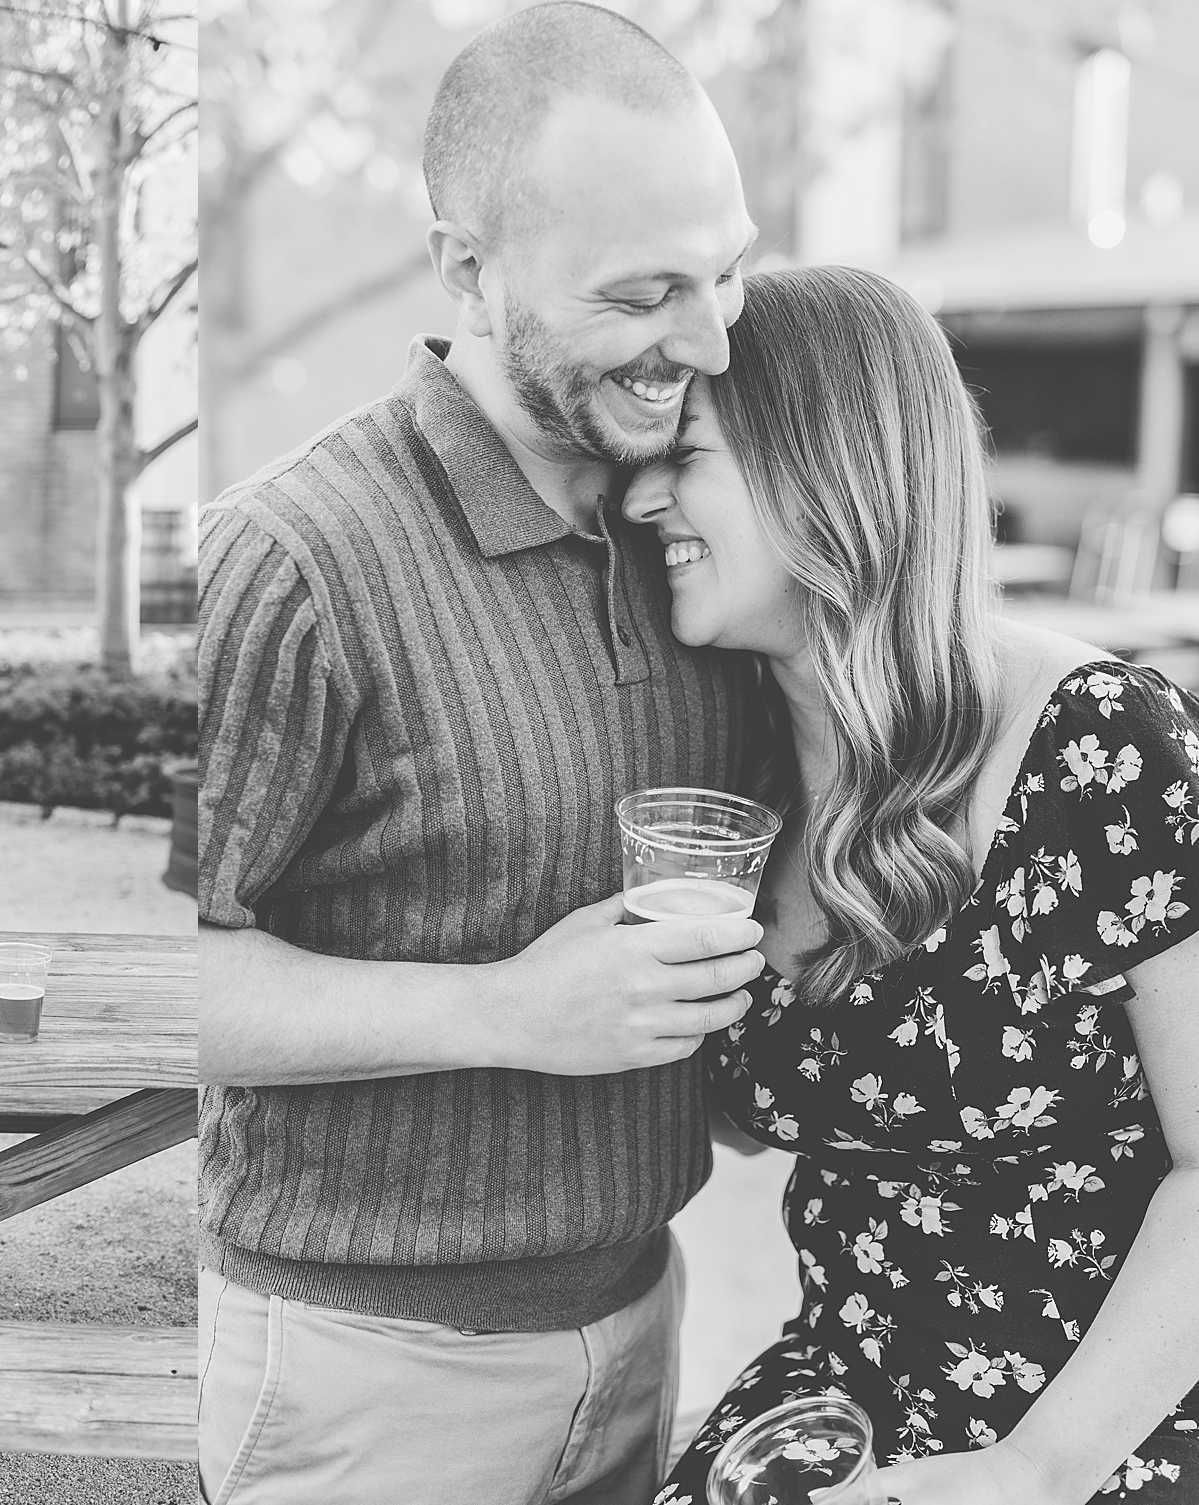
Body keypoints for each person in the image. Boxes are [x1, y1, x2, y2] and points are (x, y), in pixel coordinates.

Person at [197, 6, 769, 1501]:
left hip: (643, 1322)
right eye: (641, 293)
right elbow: (164, 980)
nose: (709, 341)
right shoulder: (292, 558)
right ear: (467, 268)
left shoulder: (700, 528)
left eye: (724, 271)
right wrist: (504, 1008)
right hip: (365, 1381)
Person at [634, 265, 1199, 1505]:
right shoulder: (735, 773)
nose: (639, 495)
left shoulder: (1097, 745)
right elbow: (766, 1107)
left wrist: (1032, 1469)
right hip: (842, 1402)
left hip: (1108, 1423)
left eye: (683, 454)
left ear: (824, 468)